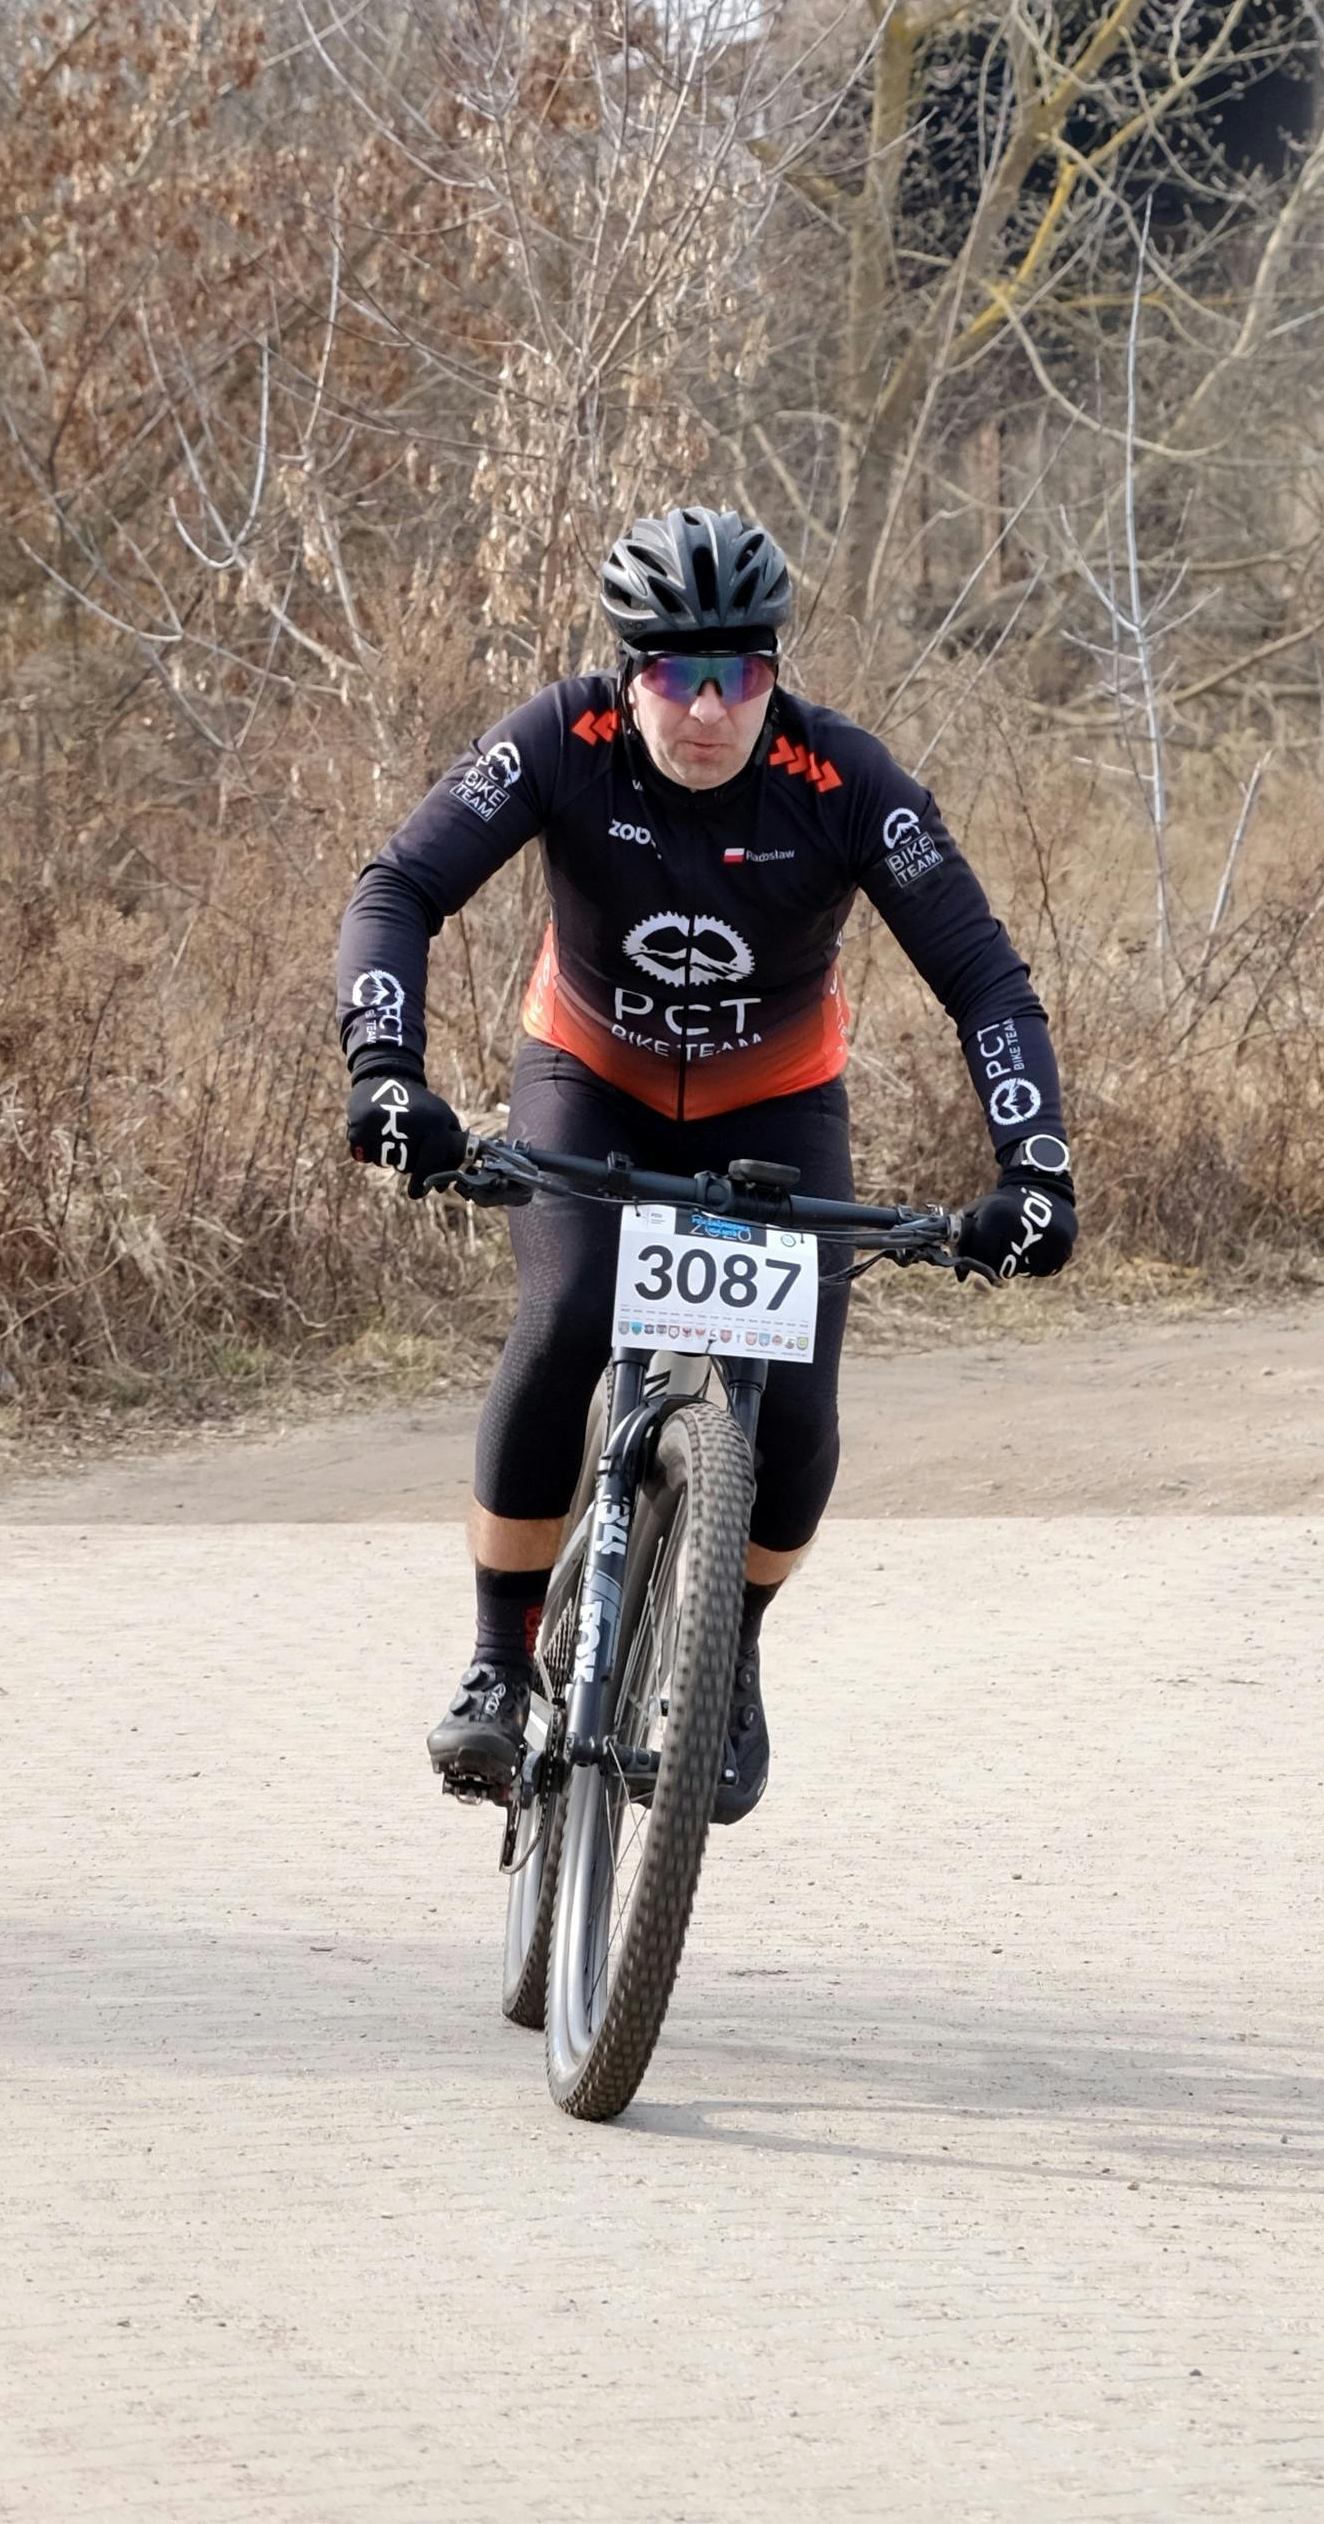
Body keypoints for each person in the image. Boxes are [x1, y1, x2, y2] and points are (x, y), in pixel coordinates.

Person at [335, 505, 1076, 1817]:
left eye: (738, 671)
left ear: (773, 673)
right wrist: (387, 1074)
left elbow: (983, 975)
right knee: (568, 1314)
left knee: (791, 1405)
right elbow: (399, 887)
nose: (706, 704)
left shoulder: (845, 780)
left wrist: (1035, 1165)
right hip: (589, 1077)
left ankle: (724, 1645)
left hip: (772, 1106)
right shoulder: (563, 738)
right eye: (675, 671)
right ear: (632, 675)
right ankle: (498, 1664)